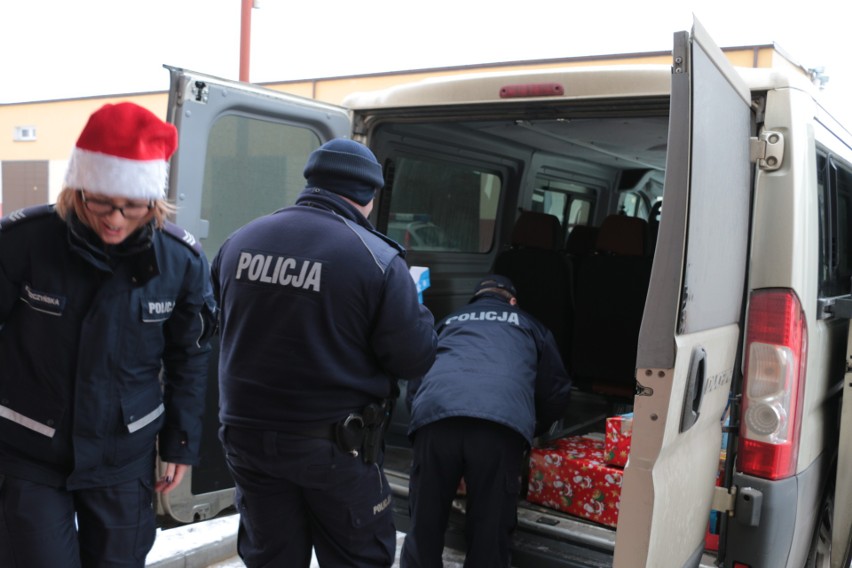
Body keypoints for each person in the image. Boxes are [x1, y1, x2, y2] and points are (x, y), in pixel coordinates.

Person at [0, 102, 217, 568]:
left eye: (132, 206)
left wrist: (180, 439)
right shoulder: (23, 242)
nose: (115, 219)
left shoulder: (180, 260)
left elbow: (189, 356)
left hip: (125, 455)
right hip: (30, 451)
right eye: (101, 202)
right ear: (78, 190)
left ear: (153, 201)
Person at [212, 137, 438, 567]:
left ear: (311, 181)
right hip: (334, 448)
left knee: (270, 557)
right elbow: (414, 358)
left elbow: (221, 324)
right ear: (369, 195)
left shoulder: (240, 241)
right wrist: (416, 306)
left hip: (247, 440)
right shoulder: (377, 260)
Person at [401, 274, 573, 568]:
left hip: (436, 419)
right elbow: (555, 392)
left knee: (424, 520)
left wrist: (425, 421)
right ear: (513, 301)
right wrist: (529, 430)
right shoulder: (532, 326)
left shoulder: (449, 321)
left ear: (476, 299)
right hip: (498, 427)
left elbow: (417, 380)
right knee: (489, 527)